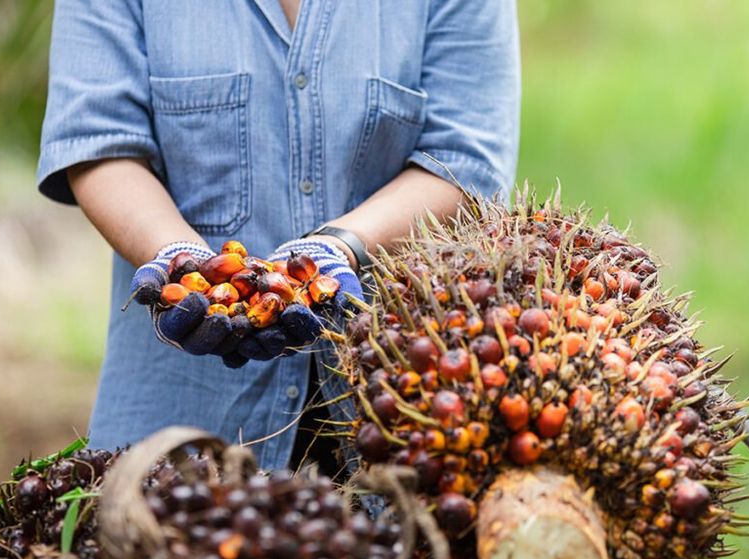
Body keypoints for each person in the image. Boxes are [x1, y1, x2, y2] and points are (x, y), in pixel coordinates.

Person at [36, 0, 520, 471]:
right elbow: (99, 142)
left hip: (393, 409)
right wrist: (176, 258)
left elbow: (465, 161)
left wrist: (341, 246)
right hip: (181, 421)